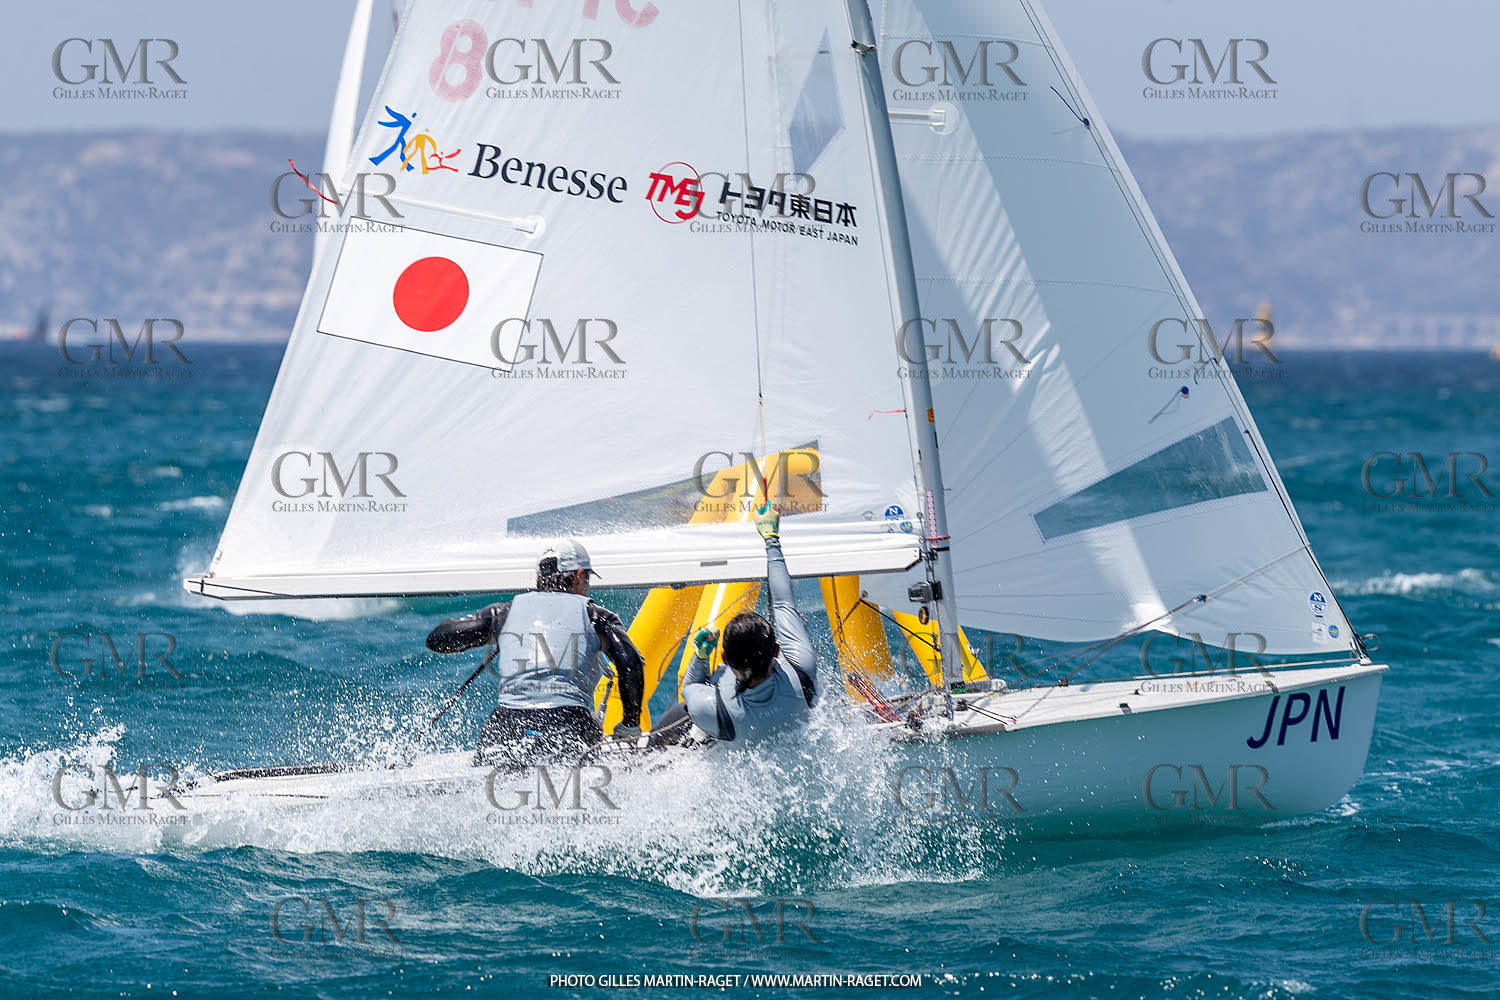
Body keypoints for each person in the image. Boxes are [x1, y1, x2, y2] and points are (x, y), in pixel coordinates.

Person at [425, 539, 644, 765]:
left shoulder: (504, 612)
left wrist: (495, 630)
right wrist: (630, 725)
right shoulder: (594, 615)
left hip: (506, 727)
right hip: (567, 725)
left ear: (539, 579)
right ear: (579, 576)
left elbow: (438, 639)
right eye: (587, 579)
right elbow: (630, 663)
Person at [677, 502, 818, 745]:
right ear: (776, 650)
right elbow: (783, 602)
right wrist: (771, 538)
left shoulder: (713, 707)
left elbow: (690, 688)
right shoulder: (802, 670)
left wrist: (700, 656)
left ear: (723, 657)